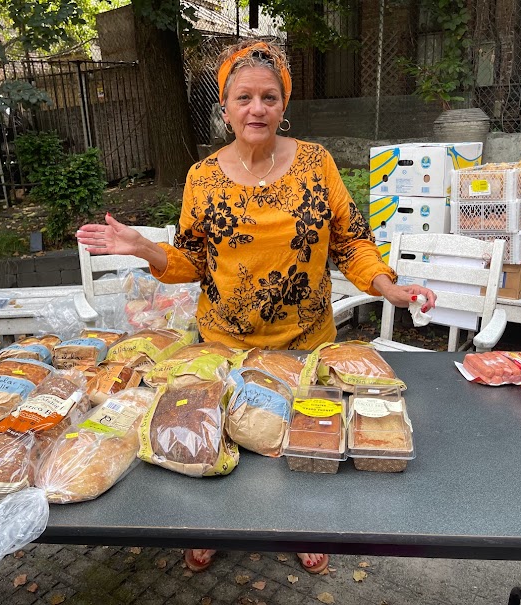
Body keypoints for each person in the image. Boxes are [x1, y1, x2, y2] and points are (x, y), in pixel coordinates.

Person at [77, 39, 436, 574]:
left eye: (269, 97)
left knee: (300, 437)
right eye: (244, 97)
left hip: (303, 342)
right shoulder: (203, 177)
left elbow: (350, 243)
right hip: (223, 343)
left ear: (283, 105)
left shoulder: (318, 164)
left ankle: (298, 525)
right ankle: (214, 526)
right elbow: (193, 260)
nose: (257, 108)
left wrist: (389, 287)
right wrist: (146, 248)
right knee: (219, 437)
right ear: (225, 108)